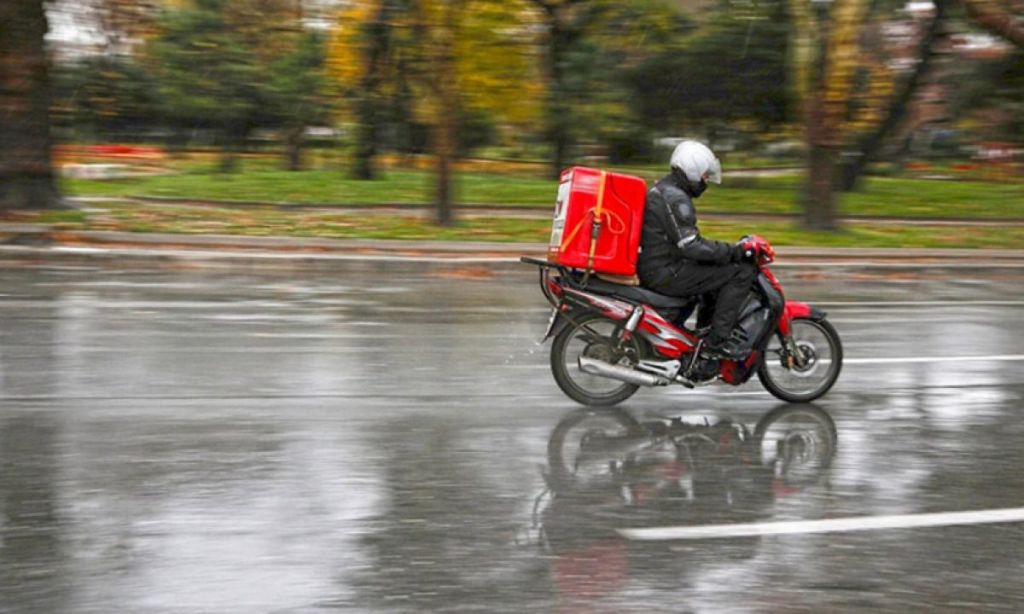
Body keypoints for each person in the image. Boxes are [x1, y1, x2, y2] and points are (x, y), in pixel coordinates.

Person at [636, 140, 757, 359]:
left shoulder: (665, 190)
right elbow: (691, 246)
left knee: (713, 268)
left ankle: (699, 334)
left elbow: (688, 244)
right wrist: (735, 252)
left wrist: (722, 253)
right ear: (692, 169)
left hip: (658, 265)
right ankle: (716, 343)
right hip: (664, 272)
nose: (706, 181)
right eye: (704, 175)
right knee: (740, 272)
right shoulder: (675, 198)